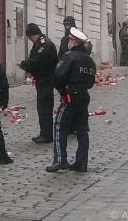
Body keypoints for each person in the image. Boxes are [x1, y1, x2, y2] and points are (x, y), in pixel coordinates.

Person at [46, 28, 96, 173]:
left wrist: (62, 90)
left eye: (70, 40)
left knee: (59, 126)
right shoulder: (89, 60)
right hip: (83, 96)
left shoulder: (69, 56)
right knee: (82, 130)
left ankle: (60, 160)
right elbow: (91, 82)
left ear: (74, 41)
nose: (68, 42)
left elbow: (58, 76)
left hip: (69, 96)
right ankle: (81, 162)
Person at [19, 23, 58, 143]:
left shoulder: (44, 44)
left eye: (30, 37)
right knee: (42, 107)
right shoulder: (39, 43)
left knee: (44, 107)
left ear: (34, 34)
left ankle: (46, 135)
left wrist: (25, 65)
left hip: (46, 79)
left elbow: (38, 61)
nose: (30, 40)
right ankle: (45, 133)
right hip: (43, 79)